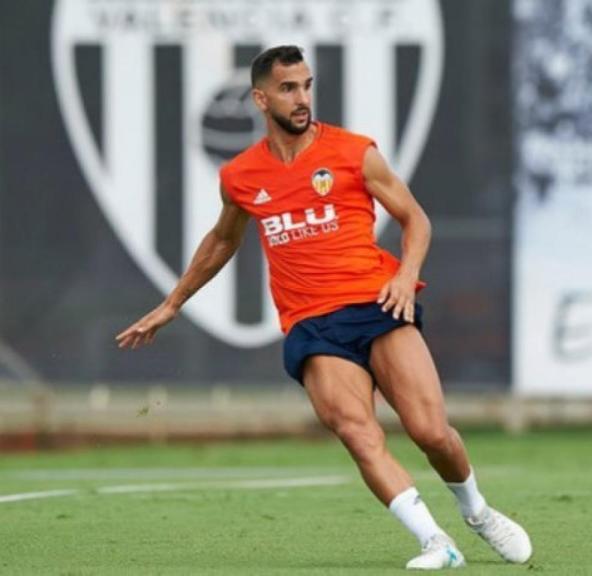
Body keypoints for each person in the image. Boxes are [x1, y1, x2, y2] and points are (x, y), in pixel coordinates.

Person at [115, 45, 531, 571]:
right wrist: (172, 304)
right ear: (260, 99)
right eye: (289, 89)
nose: (302, 98)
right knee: (359, 434)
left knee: (430, 432)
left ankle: (477, 513)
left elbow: (416, 220)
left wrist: (405, 276)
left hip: (377, 302)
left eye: (307, 85)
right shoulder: (241, 176)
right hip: (312, 325)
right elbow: (223, 240)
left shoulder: (355, 153)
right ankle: (435, 543)